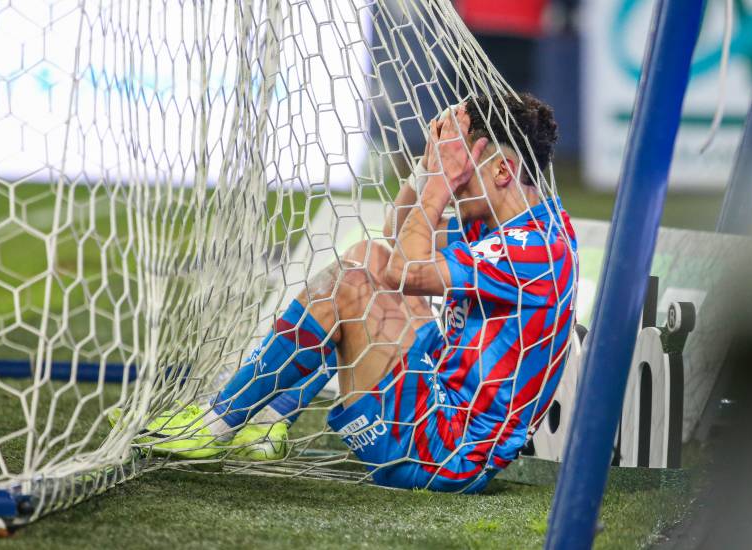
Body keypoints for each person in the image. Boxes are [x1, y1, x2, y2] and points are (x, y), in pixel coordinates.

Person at [109, 92, 578, 493]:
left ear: (502, 172)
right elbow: (397, 240)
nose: (454, 182)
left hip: (443, 450)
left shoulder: (538, 248)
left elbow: (406, 270)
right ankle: (270, 415)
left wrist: (438, 184)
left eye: (462, 170)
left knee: (354, 285)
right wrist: (424, 177)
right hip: (438, 403)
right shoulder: (517, 222)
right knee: (366, 257)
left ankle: (218, 422)